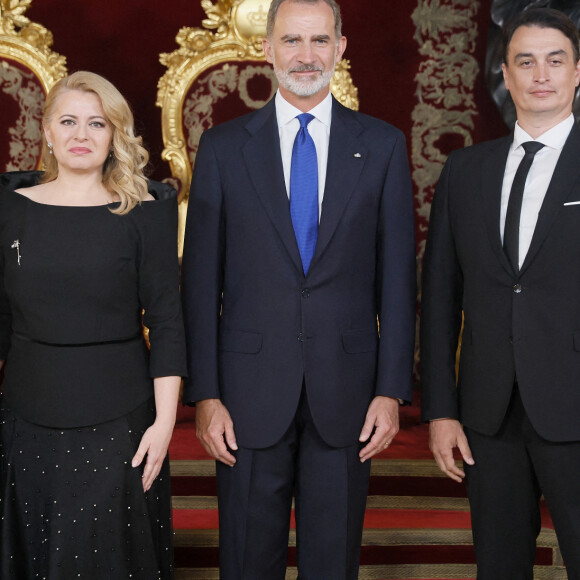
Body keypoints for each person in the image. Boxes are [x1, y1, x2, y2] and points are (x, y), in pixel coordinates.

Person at [180, 0, 416, 578]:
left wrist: (391, 390)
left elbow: (398, 278)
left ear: (341, 47)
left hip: (349, 394)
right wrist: (206, 395)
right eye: (291, 41)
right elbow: (199, 281)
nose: (305, 56)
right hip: (245, 397)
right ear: (267, 49)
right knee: (246, 560)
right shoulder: (223, 147)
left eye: (318, 41)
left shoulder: (383, 145)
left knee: (333, 563)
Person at [0, 71, 187, 579]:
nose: (81, 135)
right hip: (24, 420)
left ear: (114, 135)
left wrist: (165, 424)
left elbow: (168, 322)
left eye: (97, 123)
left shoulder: (146, 212)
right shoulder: (8, 208)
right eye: (68, 121)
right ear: (48, 133)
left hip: (119, 424)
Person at [421, 7, 580, 578]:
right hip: (489, 418)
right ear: (506, 76)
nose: (541, 74)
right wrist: (440, 410)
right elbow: (439, 299)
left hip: (575, 408)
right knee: (500, 566)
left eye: (555, 60)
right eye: (525, 61)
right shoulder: (465, 171)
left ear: (577, 72)